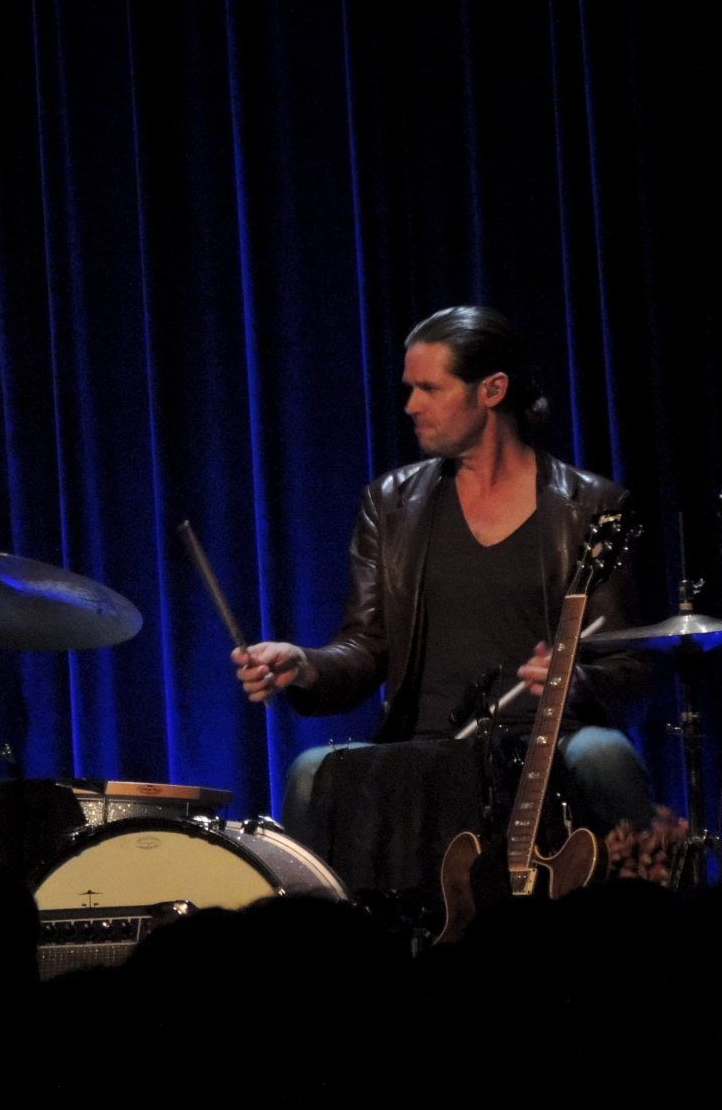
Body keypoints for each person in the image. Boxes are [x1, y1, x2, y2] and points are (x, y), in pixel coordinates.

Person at [232, 305, 654, 843]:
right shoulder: (391, 503)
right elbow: (367, 647)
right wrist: (305, 665)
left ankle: (641, 892)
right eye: (410, 389)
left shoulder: (590, 506)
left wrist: (577, 682)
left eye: (429, 389)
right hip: (429, 742)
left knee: (606, 756)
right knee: (312, 772)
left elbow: (630, 663)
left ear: (492, 390)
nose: (411, 406)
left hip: (553, 739)